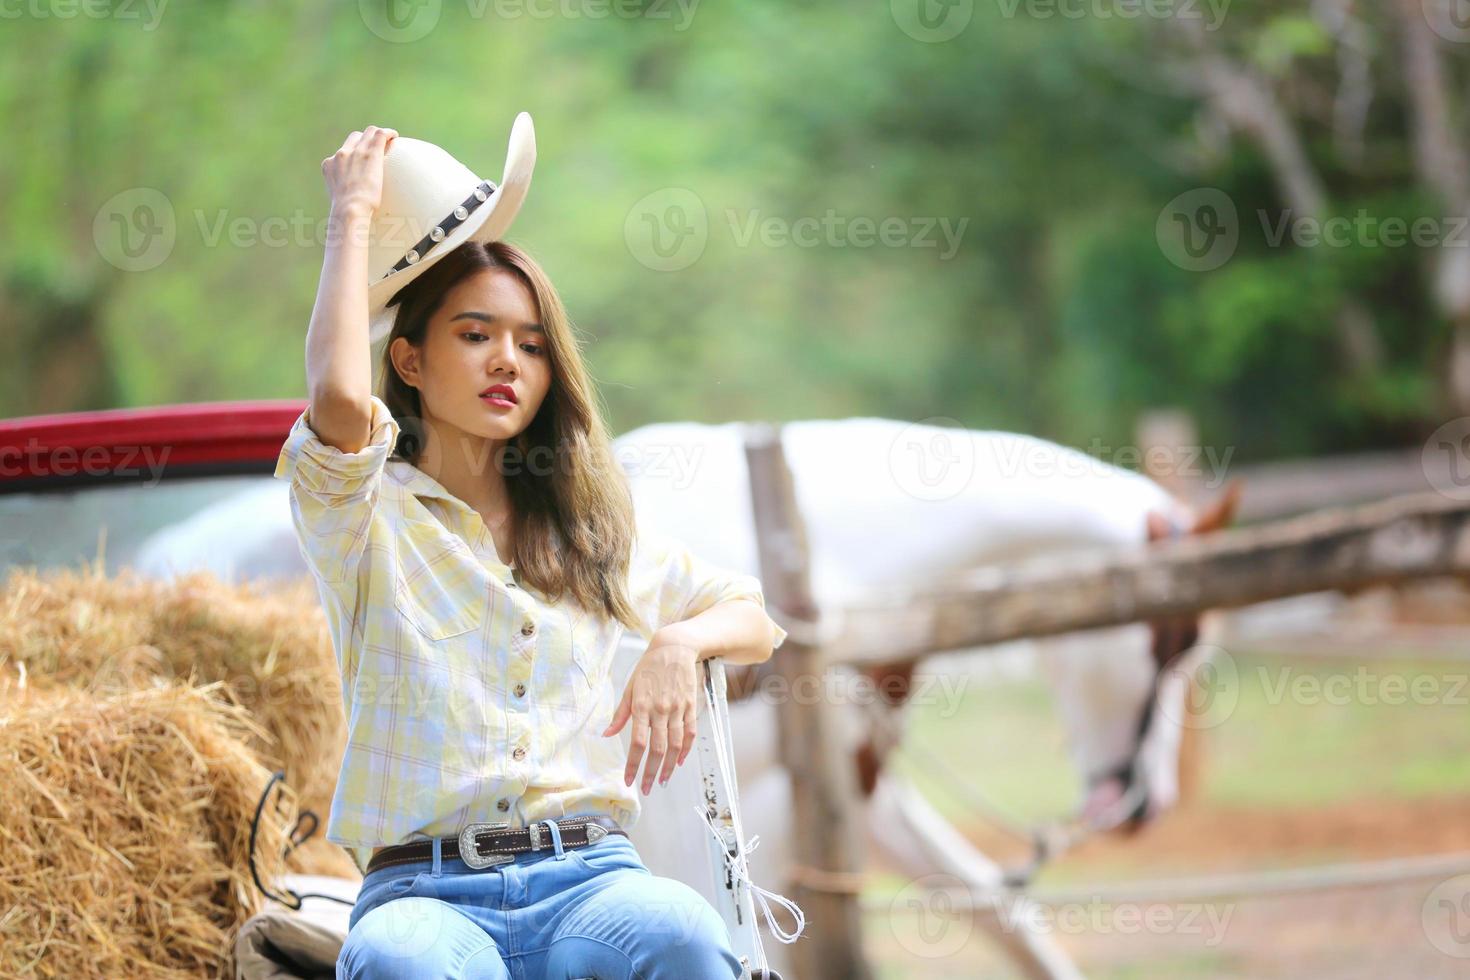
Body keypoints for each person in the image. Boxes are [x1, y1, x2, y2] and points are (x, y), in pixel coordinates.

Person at [274, 122, 787, 979]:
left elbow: (756, 616)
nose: (507, 359)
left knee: (685, 934)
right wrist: (351, 214)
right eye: (475, 335)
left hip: (588, 877)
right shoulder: (366, 520)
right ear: (408, 358)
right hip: (425, 896)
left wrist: (678, 641)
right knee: (400, 964)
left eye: (532, 343)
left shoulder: (585, 531)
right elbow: (332, 391)